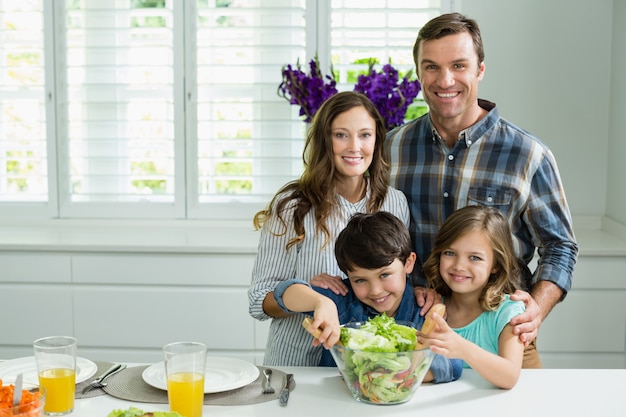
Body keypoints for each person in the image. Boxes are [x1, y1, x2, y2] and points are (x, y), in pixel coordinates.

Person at [384, 12, 578, 368]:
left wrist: (536, 305)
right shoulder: (390, 149)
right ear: (418, 72)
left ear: (480, 70)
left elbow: (560, 246)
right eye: (431, 67)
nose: (445, 80)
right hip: (414, 336)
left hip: (502, 339)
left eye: (459, 65)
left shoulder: (528, 155)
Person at [248, 91, 410, 366]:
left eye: (365, 135)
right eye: (341, 135)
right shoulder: (291, 207)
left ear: (377, 140)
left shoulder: (394, 201)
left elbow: (397, 277)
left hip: (362, 367)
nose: (354, 147)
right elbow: (259, 301)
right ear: (325, 140)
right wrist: (311, 296)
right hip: (296, 364)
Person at [273, 211, 462, 384]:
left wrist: (394, 375)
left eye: (385, 275)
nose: (376, 291)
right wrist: (321, 302)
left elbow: (453, 365)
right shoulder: (343, 300)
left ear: (409, 263)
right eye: (360, 280)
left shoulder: (422, 313)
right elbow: (283, 292)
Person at [418, 205, 525, 389]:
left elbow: (510, 376)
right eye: (450, 253)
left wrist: (461, 348)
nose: (459, 266)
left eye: (475, 257)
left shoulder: (508, 312)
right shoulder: (430, 306)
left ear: (495, 265)